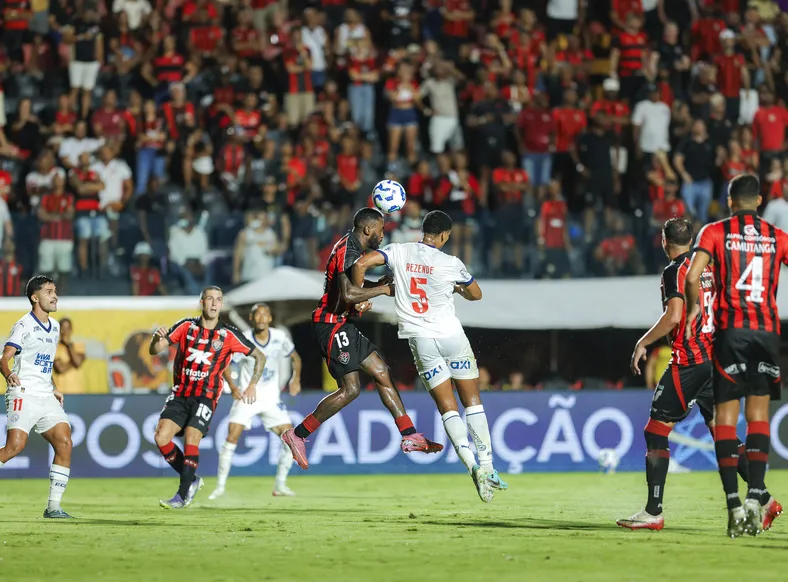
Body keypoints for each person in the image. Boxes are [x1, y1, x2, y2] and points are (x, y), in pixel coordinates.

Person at [617, 218, 774, 530]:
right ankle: (766, 500)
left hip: (690, 360)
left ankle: (653, 511)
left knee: (656, 431)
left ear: (664, 242)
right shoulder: (711, 266)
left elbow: (674, 315)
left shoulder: (675, 271)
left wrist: (643, 342)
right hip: (717, 359)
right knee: (722, 433)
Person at [352, 210, 507, 503]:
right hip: (450, 336)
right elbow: (477, 294)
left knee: (448, 409)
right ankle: (487, 466)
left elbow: (362, 262)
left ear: (423, 230)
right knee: (472, 402)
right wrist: (458, 289)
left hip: (420, 341)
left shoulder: (398, 251)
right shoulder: (450, 263)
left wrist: (360, 298)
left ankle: (472, 467)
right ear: (445, 235)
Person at [282, 208, 443, 469]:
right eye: (380, 229)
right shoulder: (349, 251)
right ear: (368, 229)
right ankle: (297, 434)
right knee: (351, 389)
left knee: (381, 370)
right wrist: (383, 289)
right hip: (331, 325)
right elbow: (347, 295)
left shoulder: (352, 248)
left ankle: (409, 435)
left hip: (341, 323)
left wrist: (376, 286)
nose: (382, 234)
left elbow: (350, 289)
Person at [686, 174, 786, 537]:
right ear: (759, 200)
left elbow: (693, 275)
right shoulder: (777, 237)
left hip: (731, 333)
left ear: (729, 201)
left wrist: (695, 309)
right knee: (758, 416)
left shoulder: (714, 231)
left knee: (725, 420)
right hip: (766, 332)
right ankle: (756, 497)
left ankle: (732, 503)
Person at [150, 286, 266, 509]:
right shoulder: (186, 326)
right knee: (161, 437)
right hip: (180, 393)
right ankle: (192, 480)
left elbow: (259, 356)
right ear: (201, 303)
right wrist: (156, 339)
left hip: (206, 396)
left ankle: (181, 495)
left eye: (218, 300)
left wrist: (252, 385)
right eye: (209, 299)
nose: (214, 303)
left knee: (192, 436)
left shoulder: (229, 335)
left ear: (221, 305)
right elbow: (155, 350)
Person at [210, 303, 302, 500]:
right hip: (247, 397)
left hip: (271, 398)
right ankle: (219, 487)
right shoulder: (243, 338)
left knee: (292, 440)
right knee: (232, 437)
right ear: (251, 319)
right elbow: (225, 363)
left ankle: (280, 485)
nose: (261, 318)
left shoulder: (279, 337)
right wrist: (234, 388)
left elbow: (296, 358)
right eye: (256, 315)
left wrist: (296, 379)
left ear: (269, 318)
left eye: (264, 314)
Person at [0, 276, 74, 518]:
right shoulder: (23, 325)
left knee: (64, 442)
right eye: (49, 292)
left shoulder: (53, 327)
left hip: (45, 394)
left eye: (55, 292)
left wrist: (53, 386)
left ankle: (53, 507)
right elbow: (4, 357)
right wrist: (9, 374)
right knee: (15, 446)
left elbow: (45, 364)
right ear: (35, 297)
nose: (55, 296)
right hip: (23, 392)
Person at [53, 318, 86, 394]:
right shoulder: (55, 347)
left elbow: (78, 363)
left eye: (67, 328)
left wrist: (69, 345)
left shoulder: (79, 346)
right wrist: (75, 362)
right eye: (63, 328)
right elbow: (60, 369)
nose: (65, 331)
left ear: (71, 330)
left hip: (77, 391)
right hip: (60, 391)